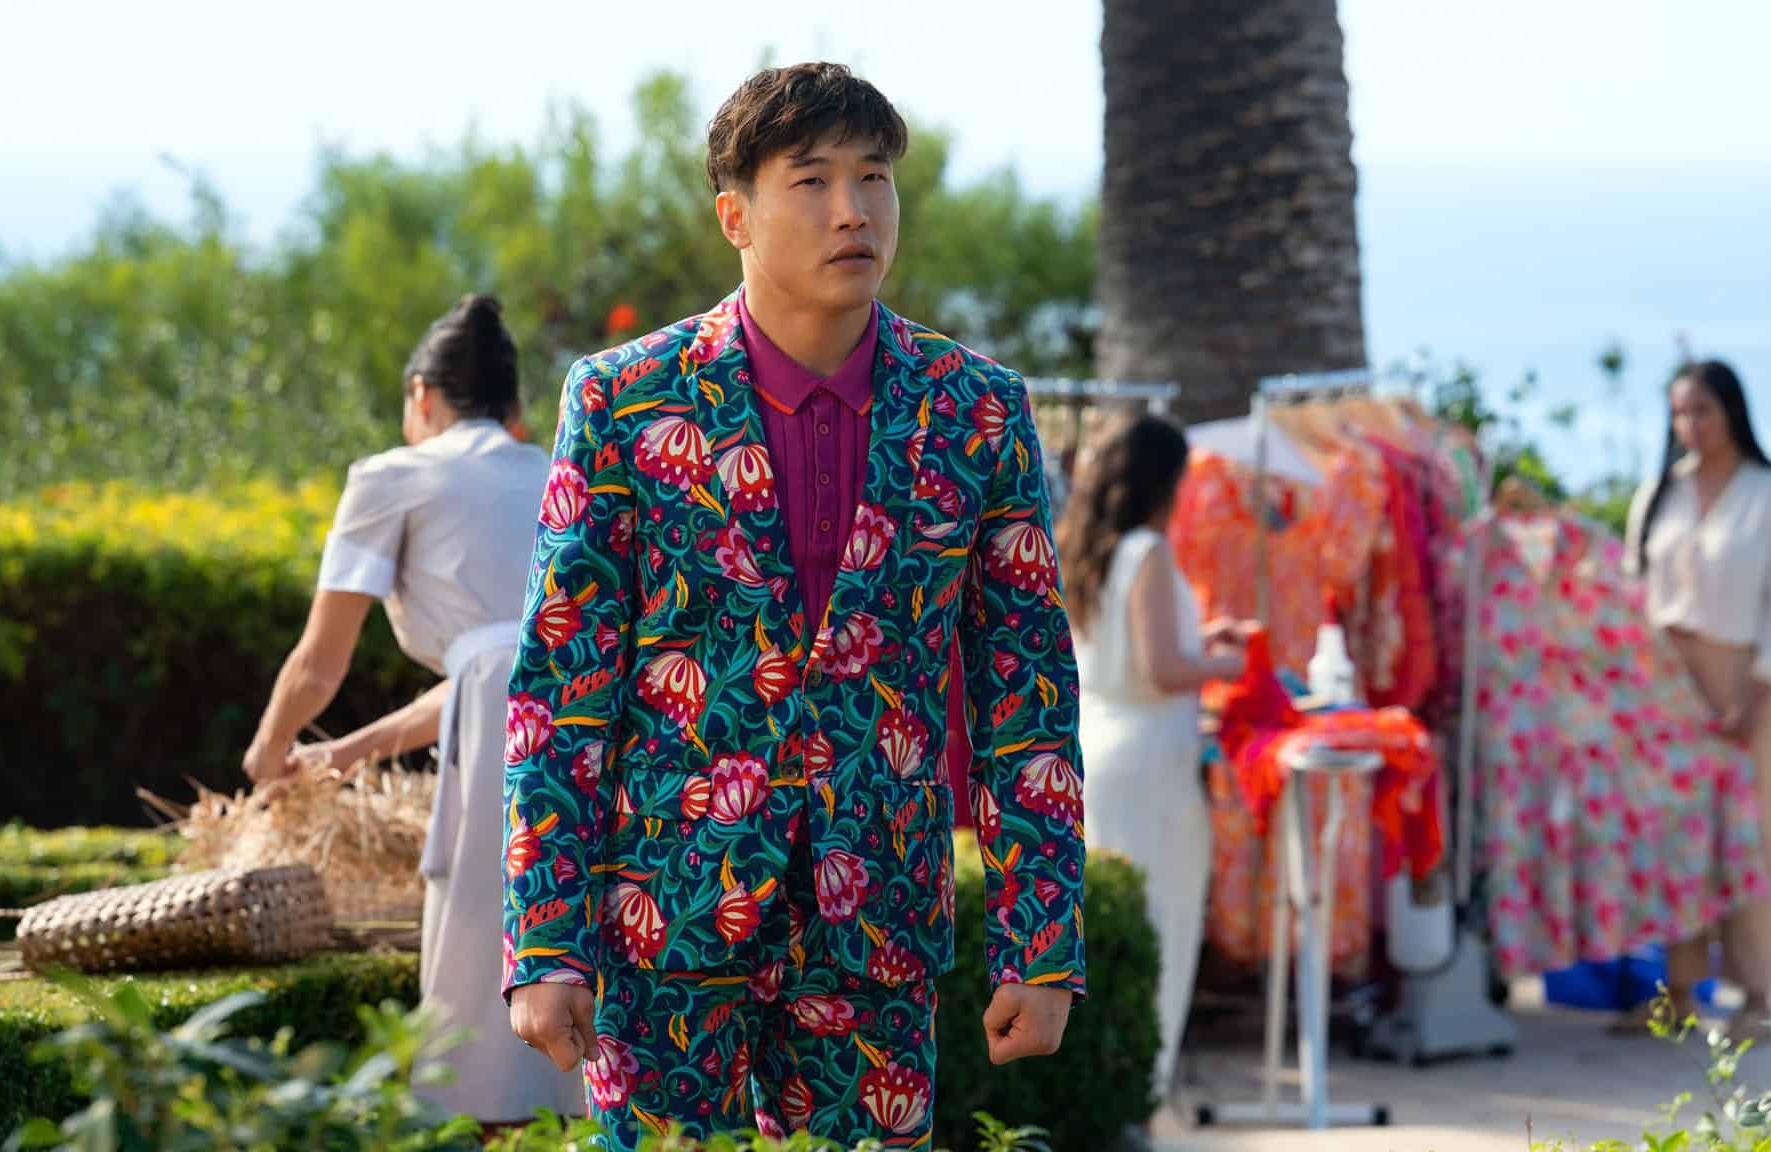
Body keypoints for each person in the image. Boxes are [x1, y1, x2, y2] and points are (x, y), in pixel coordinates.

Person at [501, 63, 1086, 1149]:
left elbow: (1028, 700)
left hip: (878, 933)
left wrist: (1039, 944)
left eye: (874, 179)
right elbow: (558, 693)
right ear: (735, 215)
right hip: (663, 920)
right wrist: (544, 944)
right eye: (810, 182)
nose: (852, 210)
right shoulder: (622, 402)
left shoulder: (978, 411)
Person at [242, 294, 585, 1122]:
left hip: (504, 724)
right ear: (514, 411)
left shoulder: (392, 476)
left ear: (421, 397)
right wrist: (347, 753)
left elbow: (317, 663)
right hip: (588, 707)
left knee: (482, 962)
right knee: (577, 944)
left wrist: (266, 756)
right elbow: (501, 660)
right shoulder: (554, 468)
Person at [1058, 414, 1254, 1102]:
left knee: (1107, 935)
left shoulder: (1089, 551)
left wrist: (1201, 643)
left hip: (1100, 745)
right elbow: (1163, 666)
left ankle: (1107, 1095)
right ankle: (1137, 1094)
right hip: (1148, 761)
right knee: (1159, 929)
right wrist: (1223, 662)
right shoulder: (1147, 551)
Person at [1622, 358, 1771, 1043]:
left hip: (1748, 682)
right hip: (1669, 684)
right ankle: (1678, 991)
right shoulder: (1657, 495)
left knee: (1755, 840)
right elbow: (1632, 592)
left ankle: (1755, 997)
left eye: (1701, 410)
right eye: (1679, 412)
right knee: (1677, 843)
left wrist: (1755, 701)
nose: (1690, 425)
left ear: (1731, 410)